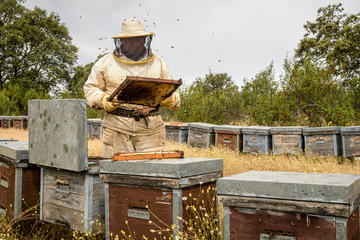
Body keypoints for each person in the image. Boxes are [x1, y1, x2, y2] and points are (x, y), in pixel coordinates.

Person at [84, 19, 180, 158]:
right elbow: (91, 88)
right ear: (122, 40)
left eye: (137, 39)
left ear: (144, 40)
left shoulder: (160, 64)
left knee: (153, 173)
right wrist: (103, 99)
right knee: (117, 174)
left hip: (151, 128)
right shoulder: (105, 62)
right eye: (129, 40)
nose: (133, 44)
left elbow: (175, 94)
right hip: (117, 126)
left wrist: (169, 98)